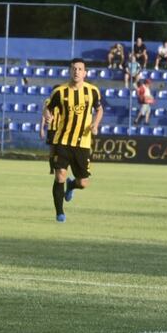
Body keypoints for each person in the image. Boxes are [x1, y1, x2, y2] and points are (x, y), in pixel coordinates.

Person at [43, 58, 103, 222]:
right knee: (60, 175)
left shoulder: (92, 91)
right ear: (70, 71)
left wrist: (95, 124)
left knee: (83, 182)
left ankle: (72, 185)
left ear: (85, 73)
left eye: (80, 69)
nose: (76, 71)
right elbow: (47, 108)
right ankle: (59, 213)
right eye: (74, 69)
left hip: (82, 143)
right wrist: (47, 116)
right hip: (62, 141)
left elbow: (99, 109)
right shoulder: (60, 92)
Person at [39, 84, 61, 174]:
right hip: (52, 129)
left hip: (61, 129)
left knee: (60, 150)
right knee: (52, 150)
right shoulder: (48, 101)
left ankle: (59, 169)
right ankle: (52, 169)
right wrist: (42, 128)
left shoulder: (65, 102)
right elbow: (44, 116)